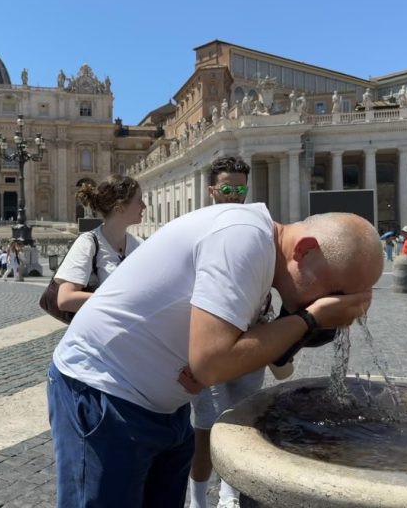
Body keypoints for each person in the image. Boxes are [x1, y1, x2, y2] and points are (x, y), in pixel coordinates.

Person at [47, 206, 383, 507]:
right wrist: (312, 317)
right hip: (104, 396)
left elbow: (217, 353)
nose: (340, 307)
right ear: (305, 250)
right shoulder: (243, 239)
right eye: (338, 293)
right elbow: (211, 364)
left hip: (163, 409)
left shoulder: (258, 250)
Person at [190, 157, 256, 508]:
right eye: (227, 189)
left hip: (250, 341)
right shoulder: (196, 229)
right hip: (207, 340)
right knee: (205, 427)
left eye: (240, 189)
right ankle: (197, 498)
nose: (234, 195)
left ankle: (229, 496)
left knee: (242, 423)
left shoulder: (258, 225)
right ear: (213, 190)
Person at [55, 175, 145, 315]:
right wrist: (122, 301)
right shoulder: (88, 243)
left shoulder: (140, 245)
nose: (144, 205)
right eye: (139, 200)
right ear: (119, 207)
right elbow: (65, 299)